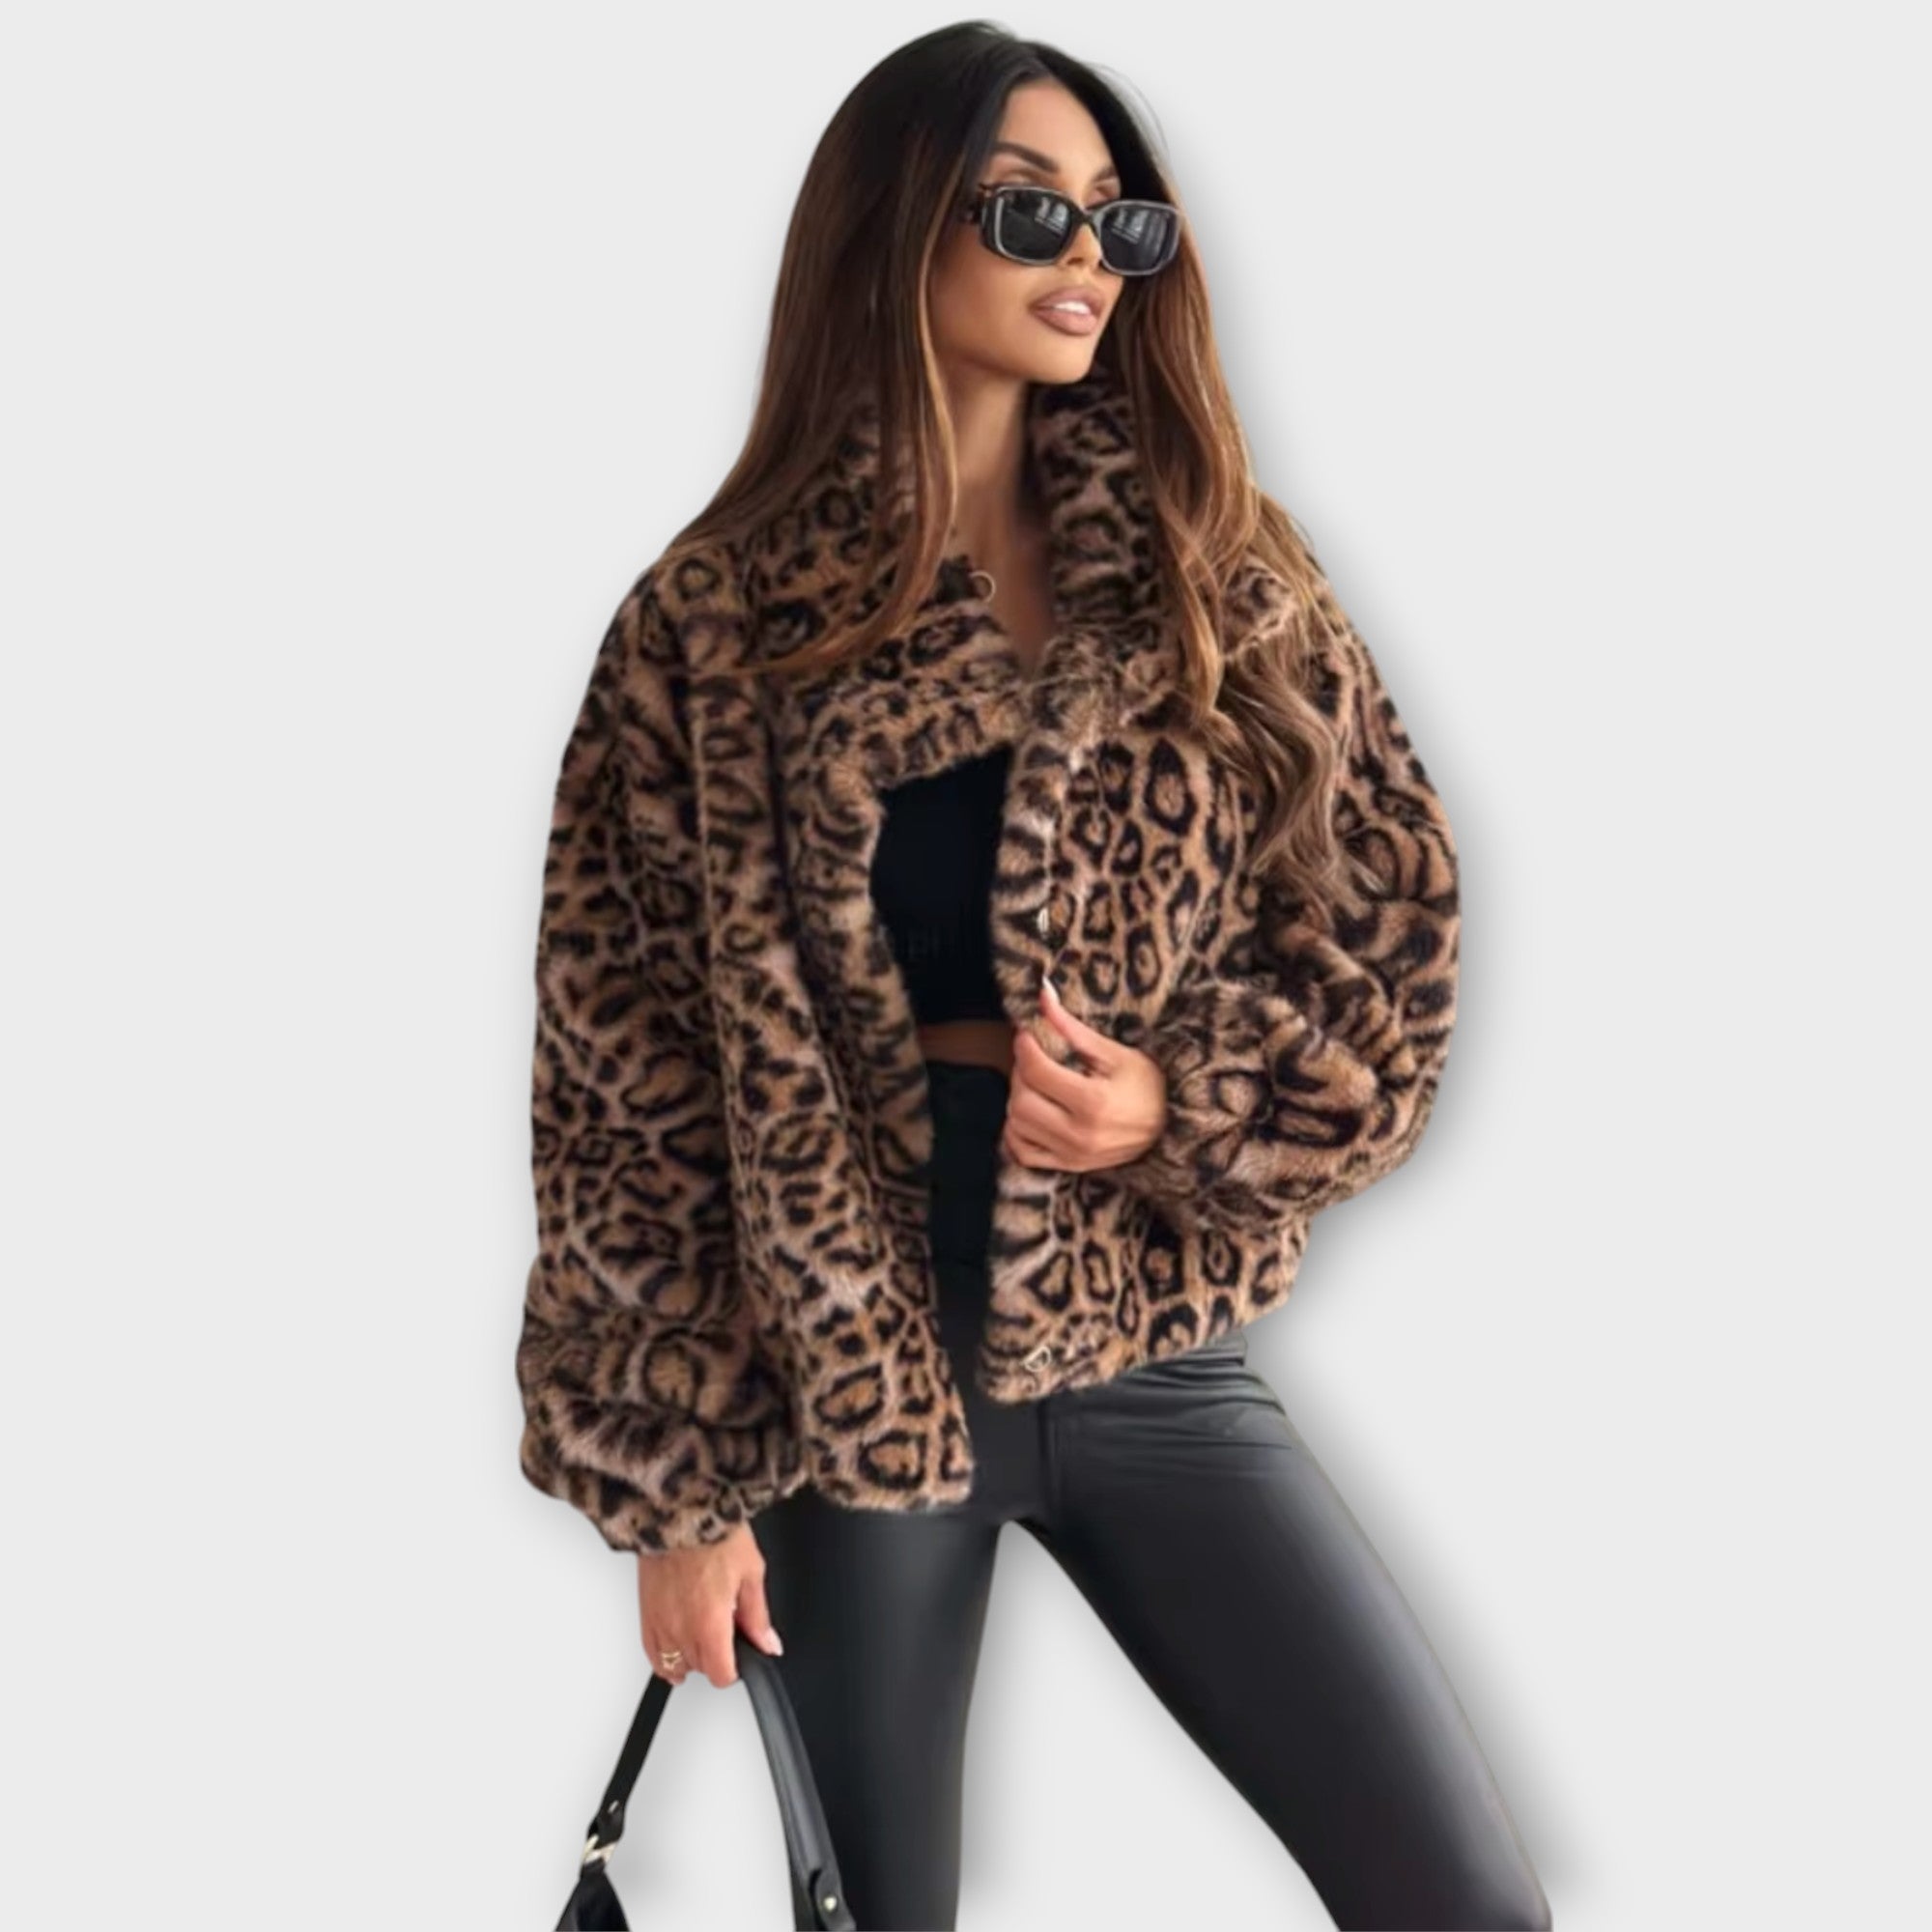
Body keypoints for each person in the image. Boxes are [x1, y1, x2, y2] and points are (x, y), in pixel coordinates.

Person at [516, 22, 1551, 1931]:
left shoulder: (1216, 576)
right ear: (893, 232)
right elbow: (621, 1085)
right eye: (1024, 212)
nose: (1086, 255)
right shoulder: (712, 624)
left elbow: (1390, 940)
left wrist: (1186, 1101)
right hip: (855, 1382)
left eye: (1117, 221)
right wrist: (671, 1489)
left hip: (1154, 1350)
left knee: (1460, 1898)